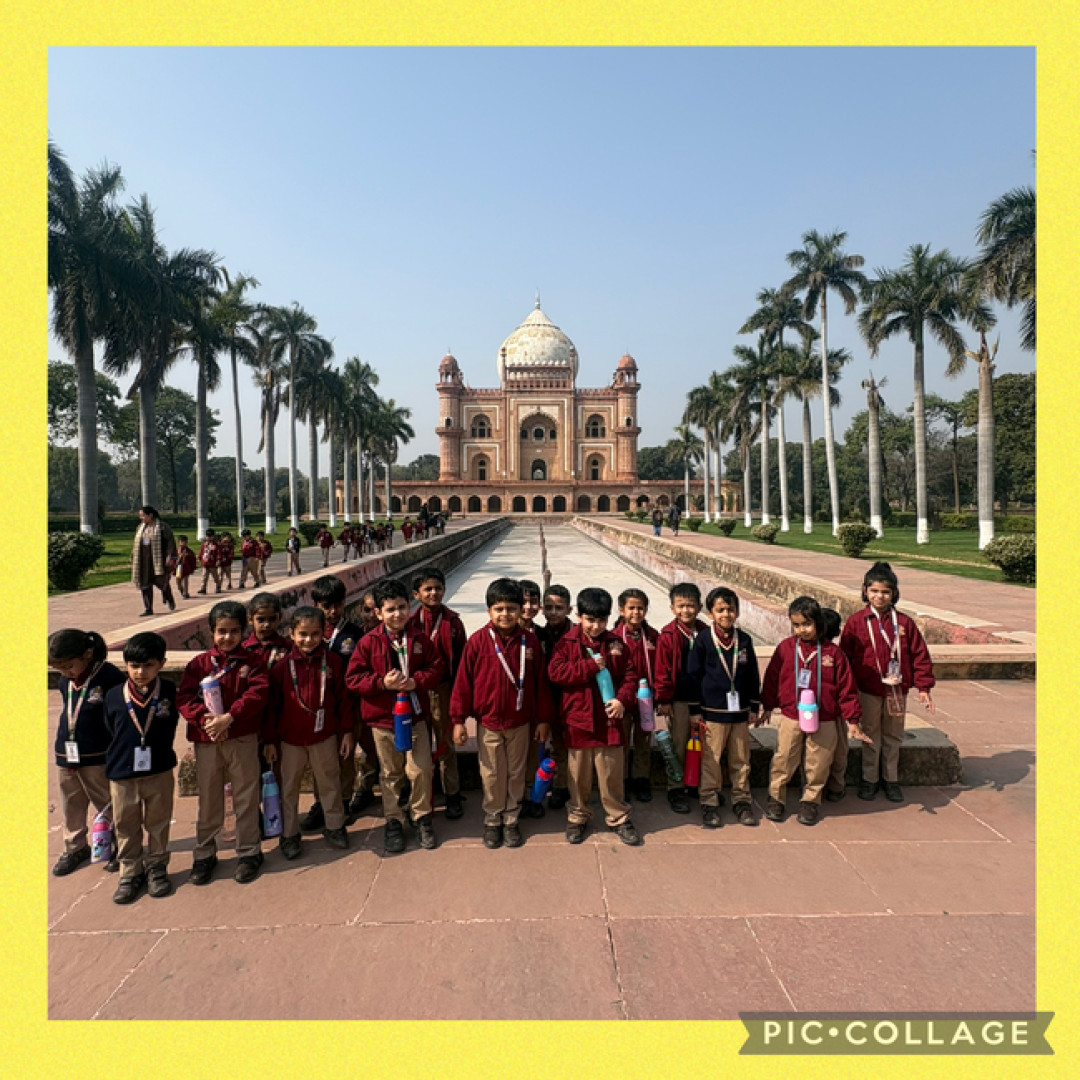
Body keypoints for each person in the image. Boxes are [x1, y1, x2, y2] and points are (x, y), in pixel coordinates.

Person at [345, 578, 445, 854]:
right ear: (378, 613)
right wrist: (381, 683)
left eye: (402, 607)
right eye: (390, 609)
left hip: (415, 717)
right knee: (390, 773)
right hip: (384, 720)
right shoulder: (368, 643)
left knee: (421, 769)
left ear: (409, 606)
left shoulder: (420, 640)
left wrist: (416, 681)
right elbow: (353, 679)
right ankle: (394, 820)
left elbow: (437, 668)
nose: (397, 614)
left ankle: (421, 816)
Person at [450, 578, 552, 848]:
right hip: (489, 723)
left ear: (520, 610)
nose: (505, 614)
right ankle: (493, 818)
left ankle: (511, 817)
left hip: (520, 722)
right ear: (489, 611)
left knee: (516, 772)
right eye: (499, 609)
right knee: (492, 773)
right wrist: (458, 720)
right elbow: (463, 683)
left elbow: (540, 683)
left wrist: (543, 719)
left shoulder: (530, 642)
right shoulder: (478, 641)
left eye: (511, 608)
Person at [176, 600, 270, 884]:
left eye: (234, 631)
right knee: (209, 798)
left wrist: (230, 717)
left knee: (246, 795)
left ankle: (249, 851)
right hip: (207, 739)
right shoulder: (199, 664)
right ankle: (204, 853)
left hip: (241, 736)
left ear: (244, 631)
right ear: (211, 632)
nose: (227, 637)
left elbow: (258, 693)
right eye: (221, 631)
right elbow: (184, 698)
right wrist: (205, 719)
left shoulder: (253, 662)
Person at [548, 587, 641, 846]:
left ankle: (618, 816)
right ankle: (578, 816)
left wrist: (622, 700)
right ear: (578, 616)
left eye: (601, 620)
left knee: (611, 772)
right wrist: (589, 667)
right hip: (578, 719)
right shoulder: (566, 643)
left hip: (609, 720)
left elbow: (631, 676)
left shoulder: (616, 644)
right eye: (590, 620)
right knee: (578, 775)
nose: (596, 626)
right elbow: (556, 673)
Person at [760, 596, 866, 826]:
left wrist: (853, 719)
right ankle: (776, 797)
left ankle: (810, 800)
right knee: (784, 757)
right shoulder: (786, 648)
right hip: (792, 714)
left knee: (818, 761)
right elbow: (772, 678)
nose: (802, 630)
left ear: (818, 622)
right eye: (796, 625)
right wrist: (768, 706)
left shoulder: (833, 653)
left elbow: (846, 688)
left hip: (824, 716)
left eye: (807, 624)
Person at [839, 562, 935, 803]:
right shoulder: (856, 622)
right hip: (868, 689)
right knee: (870, 732)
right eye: (874, 591)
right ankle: (869, 779)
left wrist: (923, 688)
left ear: (894, 593)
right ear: (865, 591)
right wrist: (847, 688)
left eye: (885, 592)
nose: (879, 596)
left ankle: (890, 779)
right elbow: (845, 658)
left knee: (893, 735)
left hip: (896, 690)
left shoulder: (904, 623)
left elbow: (920, 656)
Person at [265, 606, 353, 858]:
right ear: (292, 634)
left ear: (323, 633)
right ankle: (289, 834)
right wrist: (270, 740)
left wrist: (347, 732)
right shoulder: (282, 667)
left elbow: (344, 701)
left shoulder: (333, 662)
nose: (308, 640)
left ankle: (334, 826)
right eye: (303, 634)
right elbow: (272, 707)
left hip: (324, 736)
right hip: (290, 740)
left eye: (315, 634)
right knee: (289, 788)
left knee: (329, 783)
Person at [102, 632, 179, 903]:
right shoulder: (114, 695)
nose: (140, 672)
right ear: (125, 665)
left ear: (161, 664)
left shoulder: (168, 691)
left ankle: (157, 867)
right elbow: (109, 729)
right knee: (125, 824)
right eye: (134, 666)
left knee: (158, 821)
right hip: (122, 773)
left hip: (159, 769)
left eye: (148, 665)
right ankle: (130, 872)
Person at [49, 629, 126, 876]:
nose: (65, 673)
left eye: (69, 666)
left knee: (107, 801)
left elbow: (117, 717)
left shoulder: (109, 677)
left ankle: (120, 845)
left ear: (88, 654)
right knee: (71, 802)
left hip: (97, 754)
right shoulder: (65, 681)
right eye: (59, 669)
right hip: (67, 753)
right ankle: (75, 847)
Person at [301, 575, 375, 829]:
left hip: (350, 706)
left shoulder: (354, 634)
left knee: (345, 757)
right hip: (319, 709)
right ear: (315, 605)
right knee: (320, 761)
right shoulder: (309, 635)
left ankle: (343, 801)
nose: (333, 611)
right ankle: (320, 803)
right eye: (326, 606)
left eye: (338, 605)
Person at [687, 587, 761, 827]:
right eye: (720, 610)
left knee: (741, 759)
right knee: (711, 759)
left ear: (737, 612)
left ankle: (742, 800)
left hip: (739, 713)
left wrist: (754, 706)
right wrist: (695, 710)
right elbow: (693, 676)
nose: (725, 614)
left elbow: (752, 675)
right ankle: (709, 801)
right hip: (712, 713)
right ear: (710, 613)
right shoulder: (703, 640)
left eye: (730, 609)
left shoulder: (745, 640)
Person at [409, 568, 468, 819]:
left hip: (443, 690)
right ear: (417, 594)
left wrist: (459, 695)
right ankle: (420, 794)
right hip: (417, 691)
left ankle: (452, 793)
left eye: (438, 588)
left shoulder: (453, 623)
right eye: (428, 589)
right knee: (417, 746)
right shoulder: (410, 623)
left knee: (446, 744)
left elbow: (462, 661)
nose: (433, 593)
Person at [653, 582, 707, 814]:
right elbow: (662, 670)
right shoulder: (668, 635)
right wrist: (664, 699)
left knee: (704, 744)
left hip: (703, 699)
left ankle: (695, 783)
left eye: (691, 605)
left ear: (700, 607)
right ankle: (675, 787)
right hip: (679, 699)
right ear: (672, 608)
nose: (686, 610)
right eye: (681, 606)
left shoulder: (706, 632)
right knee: (678, 744)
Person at [615, 588, 660, 803]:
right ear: (621, 610)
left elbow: (660, 667)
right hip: (623, 699)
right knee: (621, 742)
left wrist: (658, 695)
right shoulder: (614, 638)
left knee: (644, 741)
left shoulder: (652, 636)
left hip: (646, 699)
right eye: (631, 608)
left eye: (640, 608)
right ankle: (622, 781)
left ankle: (641, 780)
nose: (636, 612)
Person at [535, 584, 574, 809]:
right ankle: (541, 785)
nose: (553, 612)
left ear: (569, 609)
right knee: (543, 744)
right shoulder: (538, 634)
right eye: (548, 607)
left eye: (559, 608)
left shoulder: (576, 634)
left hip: (568, 698)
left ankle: (561, 786)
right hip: (544, 696)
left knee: (564, 745)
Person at [517, 579, 546, 819]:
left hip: (536, 702)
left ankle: (531, 796)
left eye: (533, 601)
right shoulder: (505, 633)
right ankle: (514, 798)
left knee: (534, 753)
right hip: (513, 706)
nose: (528, 607)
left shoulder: (542, 635)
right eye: (523, 601)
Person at [131, 505, 177, 616]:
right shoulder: (140, 528)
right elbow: (136, 544)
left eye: (143, 515)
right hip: (143, 561)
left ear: (150, 515)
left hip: (158, 560)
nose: (141, 518)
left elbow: (170, 542)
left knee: (162, 582)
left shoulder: (162, 527)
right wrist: (133, 556)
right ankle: (148, 608)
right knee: (145, 584)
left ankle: (169, 598)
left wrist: (170, 556)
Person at [197, 529, 221, 595]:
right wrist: (199, 558)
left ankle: (218, 586)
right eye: (207, 536)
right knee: (204, 576)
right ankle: (203, 588)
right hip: (205, 563)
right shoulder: (204, 545)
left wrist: (218, 560)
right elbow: (201, 552)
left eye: (210, 536)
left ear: (213, 537)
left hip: (212, 563)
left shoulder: (216, 545)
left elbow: (218, 553)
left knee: (215, 576)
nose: (209, 538)